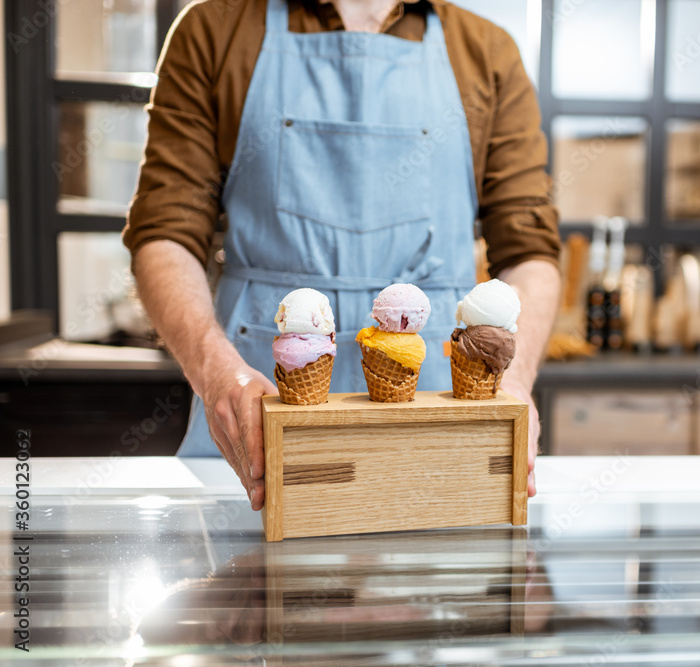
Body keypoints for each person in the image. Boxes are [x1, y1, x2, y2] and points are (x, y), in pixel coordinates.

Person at [122, 0, 561, 512]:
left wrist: (514, 384)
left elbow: (529, 252)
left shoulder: (487, 51)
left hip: (440, 424)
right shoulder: (215, 30)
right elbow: (164, 233)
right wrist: (217, 373)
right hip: (255, 422)